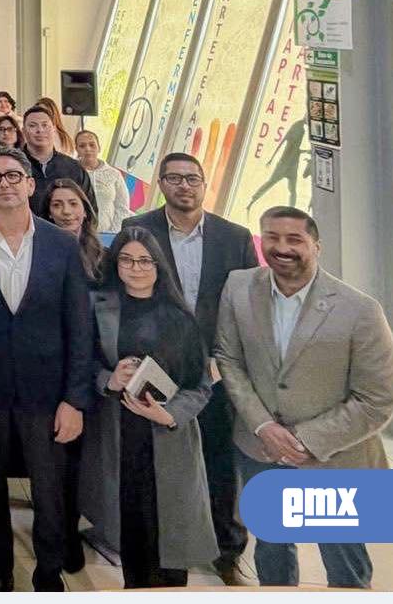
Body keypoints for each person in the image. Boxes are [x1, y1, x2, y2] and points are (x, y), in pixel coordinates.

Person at [216, 206, 393, 589]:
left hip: (334, 457)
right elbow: (229, 359)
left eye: (295, 239)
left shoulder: (360, 310)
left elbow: (377, 399)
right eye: (272, 237)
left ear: (317, 245)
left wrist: (304, 440)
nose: (282, 247)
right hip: (259, 450)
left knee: (343, 558)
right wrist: (263, 426)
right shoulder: (238, 287)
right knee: (272, 550)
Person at [0, 146, 92, 592]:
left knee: (48, 492)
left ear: (31, 185)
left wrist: (74, 400)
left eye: (14, 176)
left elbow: (79, 329)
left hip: (46, 395)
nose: (4, 184)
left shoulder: (62, 245)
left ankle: (48, 570)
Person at [120, 151, 258, 584]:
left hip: (216, 367)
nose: (184, 186)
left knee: (219, 456)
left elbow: (248, 303)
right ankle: (166, 541)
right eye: (174, 178)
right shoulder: (138, 229)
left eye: (192, 178)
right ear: (161, 183)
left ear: (204, 184)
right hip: (156, 366)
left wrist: (226, 357)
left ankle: (227, 547)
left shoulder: (234, 237)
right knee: (161, 458)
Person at [80, 227, 219, 588]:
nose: (136, 268)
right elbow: (81, 365)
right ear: (116, 263)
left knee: (171, 532)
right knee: (130, 525)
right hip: (119, 433)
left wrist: (170, 414)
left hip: (166, 435)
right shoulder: (98, 307)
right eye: (127, 259)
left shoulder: (180, 316)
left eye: (145, 260)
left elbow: (201, 384)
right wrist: (108, 380)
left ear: (159, 266)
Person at [23, 106, 96, 213]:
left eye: (45, 125)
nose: (40, 130)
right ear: (23, 131)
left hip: (66, 229)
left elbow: (90, 211)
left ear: (54, 128)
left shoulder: (74, 168)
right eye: (33, 126)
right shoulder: (13, 166)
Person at [41, 179, 105, 284]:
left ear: (85, 211)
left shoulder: (104, 256)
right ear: (49, 214)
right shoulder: (37, 253)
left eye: (73, 204)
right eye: (57, 205)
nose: (66, 211)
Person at [76, 130, 131, 233]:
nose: (88, 149)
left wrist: (113, 233)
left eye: (92, 145)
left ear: (99, 148)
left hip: (106, 235)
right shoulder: (71, 171)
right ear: (77, 150)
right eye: (82, 146)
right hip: (76, 234)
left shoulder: (114, 174)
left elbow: (122, 207)